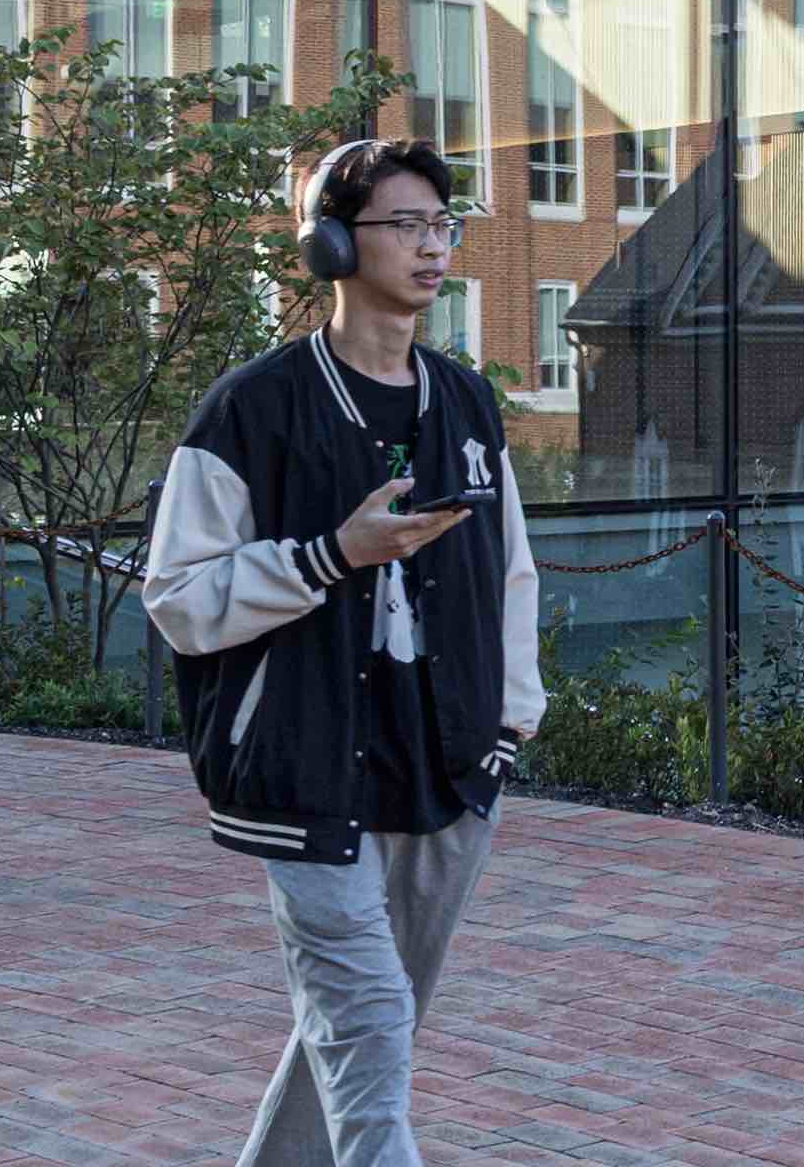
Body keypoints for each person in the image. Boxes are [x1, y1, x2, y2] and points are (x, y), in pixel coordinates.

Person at [145, 137, 542, 1166]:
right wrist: (331, 554)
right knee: (368, 1031)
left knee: (368, 1029)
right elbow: (179, 598)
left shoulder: (464, 400)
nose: (432, 244)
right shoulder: (251, 410)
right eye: (404, 223)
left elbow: (513, 571)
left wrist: (509, 723)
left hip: (447, 765)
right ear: (332, 241)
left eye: (442, 224)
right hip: (303, 770)